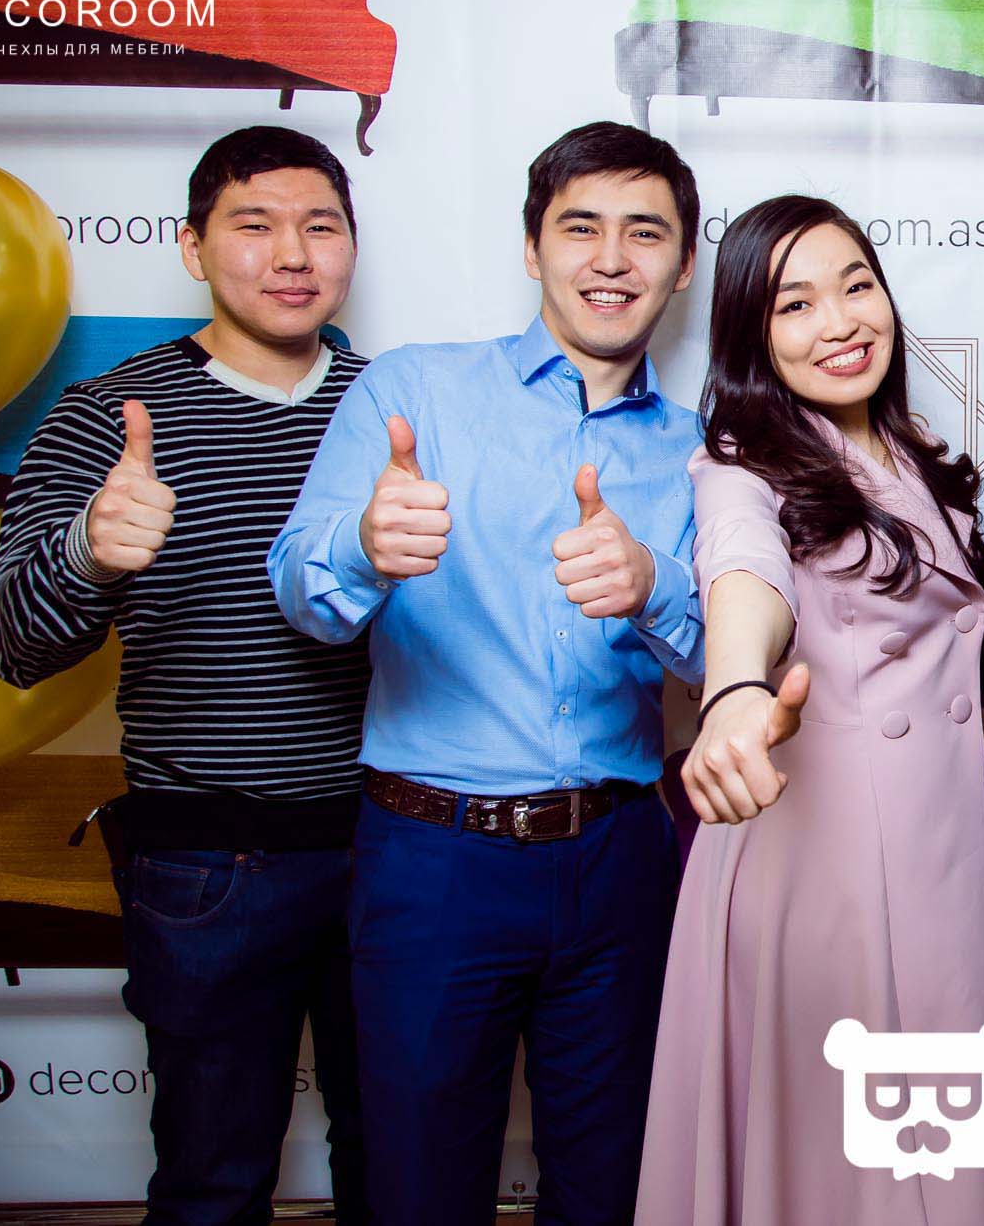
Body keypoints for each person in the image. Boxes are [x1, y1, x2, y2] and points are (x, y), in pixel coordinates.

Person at [269, 122, 706, 1226]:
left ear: (684, 266)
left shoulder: (702, 450)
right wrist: (364, 549)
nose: (612, 259)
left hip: (619, 860)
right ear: (531, 247)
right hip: (436, 862)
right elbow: (303, 596)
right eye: (581, 228)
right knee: (419, 1193)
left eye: (645, 233)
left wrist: (653, 583)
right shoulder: (416, 391)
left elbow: (728, 660)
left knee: (611, 1192)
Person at [0, 126, 372, 1225]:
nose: (292, 253)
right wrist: (89, 553)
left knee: (401, 1169)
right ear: (194, 248)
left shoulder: (403, 408)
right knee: (211, 1182)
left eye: (321, 226)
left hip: (397, 849)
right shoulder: (108, 417)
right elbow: (12, 647)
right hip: (206, 864)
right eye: (255, 225)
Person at [634, 195, 984, 1226]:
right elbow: (741, 571)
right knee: (843, 1154)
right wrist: (736, 691)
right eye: (795, 304)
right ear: (752, 336)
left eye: (856, 286)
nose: (840, 322)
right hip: (827, 859)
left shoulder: (913, 447)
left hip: (941, 840)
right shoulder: (739, 462)